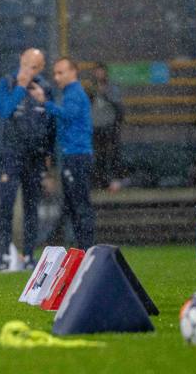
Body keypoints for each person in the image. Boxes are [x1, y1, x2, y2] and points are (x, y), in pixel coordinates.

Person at [0, 48, 55, 271]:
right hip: (10, 156)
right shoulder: (6, 84)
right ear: (21, 59)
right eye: (28, 64)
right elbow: (4, 111)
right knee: (6, 206)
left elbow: (51, 124)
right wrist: (20, 87)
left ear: (42, 68)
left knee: (32, 208)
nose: (31, 70)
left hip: (35, 157)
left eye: (36, 67)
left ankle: (29, 256)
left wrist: (48, 155)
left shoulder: (45, 88)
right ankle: (4, 256)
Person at [30, 57, 95, 250]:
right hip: (72, 155)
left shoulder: (74, 93)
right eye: (55, 73)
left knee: (79, 205)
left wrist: (45, 103)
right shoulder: (70, 93)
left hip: (77, 155)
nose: (57, 77)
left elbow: (68, 115)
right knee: (73, 204)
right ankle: (81, 248)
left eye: (61, 72)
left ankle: (86, 249)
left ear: (73, 72)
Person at [89, 62, 125, 192]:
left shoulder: (112, 88)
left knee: (113, 154)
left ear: (105, 73)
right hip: (96, 126)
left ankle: (115, 180)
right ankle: (100, 181)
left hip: (109, 126)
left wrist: (105, 94)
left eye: (101, 71)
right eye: (97, 71)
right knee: (99, 155)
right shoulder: (91, 88)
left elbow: (119, 106)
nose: (99, 74)